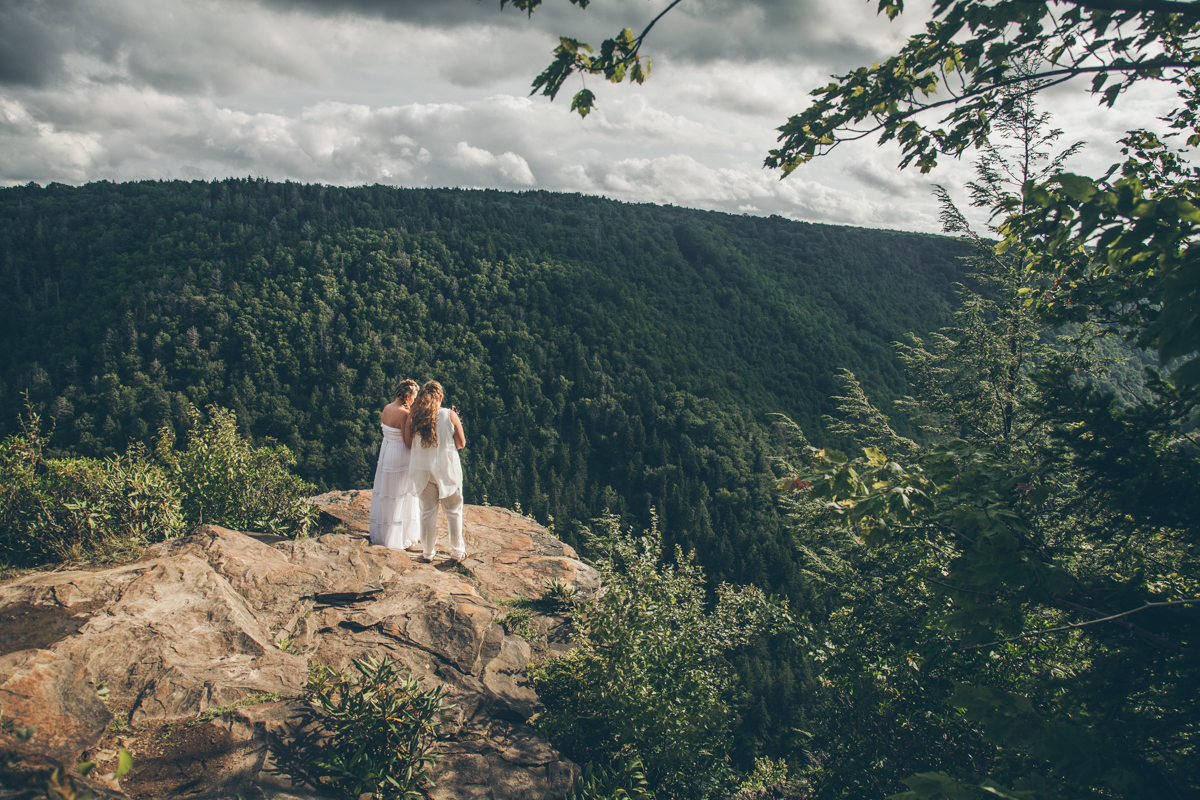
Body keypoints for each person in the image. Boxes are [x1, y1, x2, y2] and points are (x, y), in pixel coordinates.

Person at [403, 380, 467, 563]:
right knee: (453, 511)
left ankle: (428, 553)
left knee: (427, 512)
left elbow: (408, 444)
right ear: (440, 397)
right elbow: (461, 443)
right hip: (447, 469)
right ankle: (456, 552)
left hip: (423, 470)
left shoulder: (415, 418)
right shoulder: (449, 415)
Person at [367, 378, 421, 550]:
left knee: (387, 494)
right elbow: (407, 442)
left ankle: (383, 533)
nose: (414, 400)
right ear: (407, 396)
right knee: (400, 495)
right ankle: (400, 537)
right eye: (414, 396)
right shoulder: (404, 414)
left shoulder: (387, 408)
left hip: (387, 450)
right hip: (400, 455)